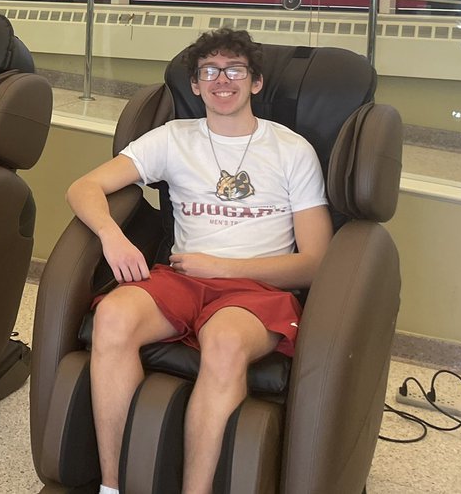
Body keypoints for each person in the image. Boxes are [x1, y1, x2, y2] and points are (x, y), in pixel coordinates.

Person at [64, 28, 333, 494]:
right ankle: (114, 486)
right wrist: (112, 237)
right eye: (209, 70)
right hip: (184, 279)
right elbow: (83, 188)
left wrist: (225, 268)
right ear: (195, 84)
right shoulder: (172, 138)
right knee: (112, 316)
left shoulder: (292, 151)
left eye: (234, 70)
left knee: (226, 342)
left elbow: (315, 262)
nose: (221, 79)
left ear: (255, 82)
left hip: (259, 289)